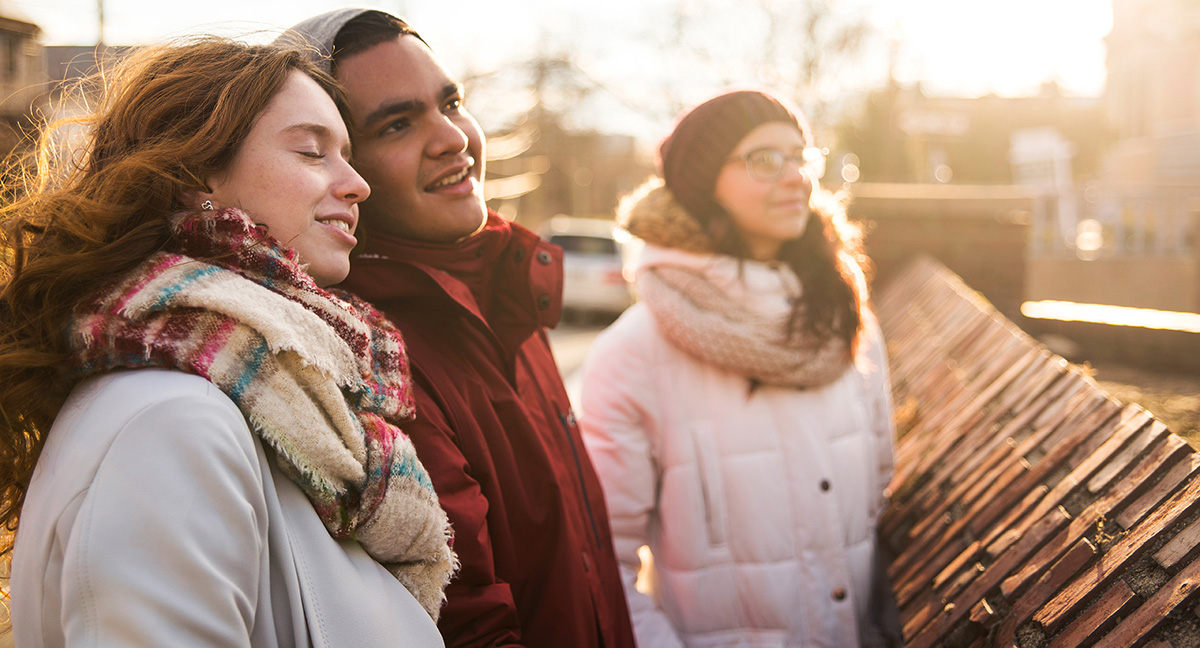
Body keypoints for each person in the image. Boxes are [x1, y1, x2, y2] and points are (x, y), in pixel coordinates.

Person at [0, 38, 455, 647]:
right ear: (196, 177)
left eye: (347, 156)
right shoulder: (172, 424)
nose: (357, 185)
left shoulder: (287, 407)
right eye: (312, 152)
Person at [279, 10, 636, 648]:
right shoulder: (375, 354)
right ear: (342, 171)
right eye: (396, 124)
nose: (452, 138)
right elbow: (466, 621)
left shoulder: (506, 289)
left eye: (452, 102)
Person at [578, 90, 899, 647]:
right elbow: (605, 566)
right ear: (705, 184)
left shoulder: (845, 319)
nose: (795, 176)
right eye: (764, 160)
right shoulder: (633, 354)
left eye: (800, 156)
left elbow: (876, 492)